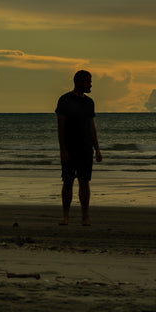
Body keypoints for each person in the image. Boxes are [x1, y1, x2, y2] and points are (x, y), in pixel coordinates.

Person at [55, 70, 103, 225]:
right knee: (68, 181)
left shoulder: (89, 102)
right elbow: (60, 127)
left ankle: (85, 216)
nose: (90, 84)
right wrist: (63, 149)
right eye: (88, 81)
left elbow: (91, 127)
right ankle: (65, 216)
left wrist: (97, 149)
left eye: (90, 81)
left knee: (84, 181)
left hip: (85, 148)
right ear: (79, 82)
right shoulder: (65, 100)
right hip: (70, 147)